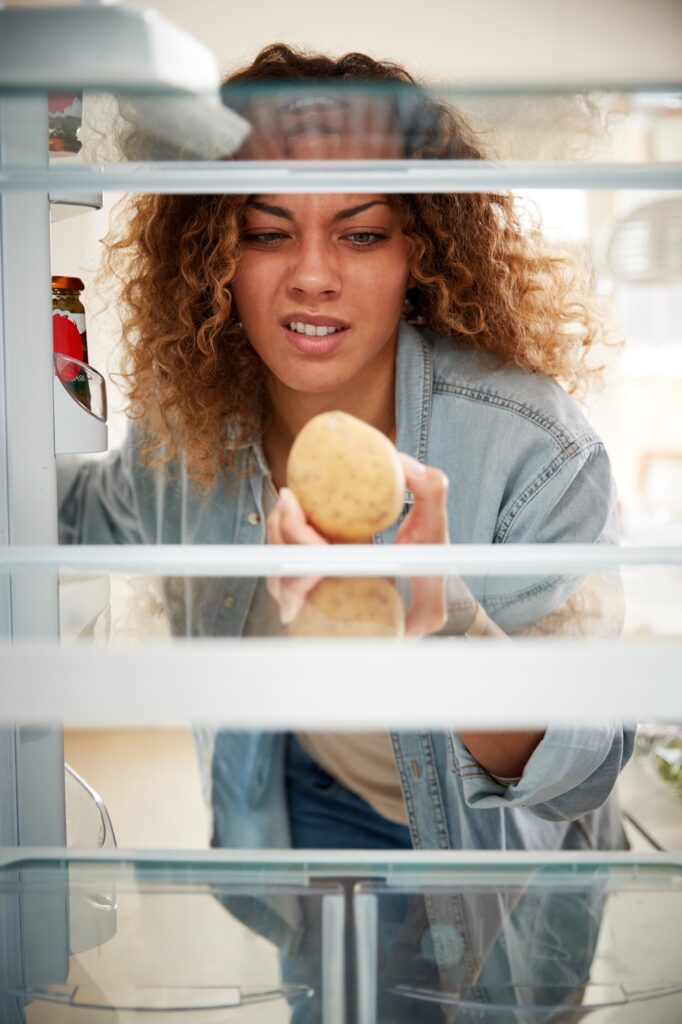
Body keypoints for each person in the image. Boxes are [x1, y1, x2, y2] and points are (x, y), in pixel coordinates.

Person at [59, 43, 634, 1021]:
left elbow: (587, 760)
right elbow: (67, 517)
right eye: (266, 231)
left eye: (361, 235)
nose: (313, 276)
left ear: (420, 250)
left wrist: (442, 621)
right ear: (212, 255)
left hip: (485, 857)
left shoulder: (533, 444)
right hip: (308, 811)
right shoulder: (190, 436)